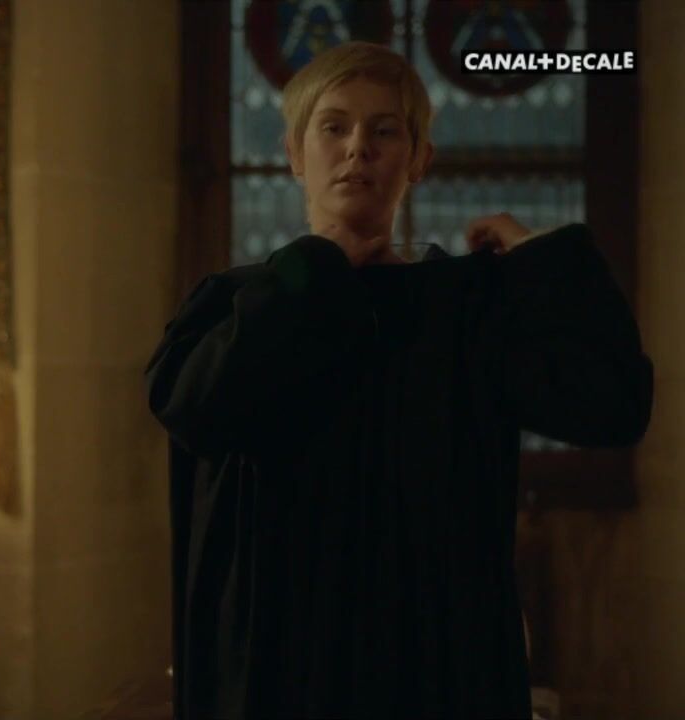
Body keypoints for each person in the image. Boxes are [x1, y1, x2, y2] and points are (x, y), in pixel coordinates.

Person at [144, 42, 653, 719]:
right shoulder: (233, 305)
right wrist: (314, 268)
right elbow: (192, 404)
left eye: (384, 131)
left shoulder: (464, 310)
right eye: (334, 126)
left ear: (418, 160)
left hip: (434, 668)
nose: (358, 147)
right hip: (280, 669)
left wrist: (542, 263)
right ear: (294, 153)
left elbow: (611, 404)